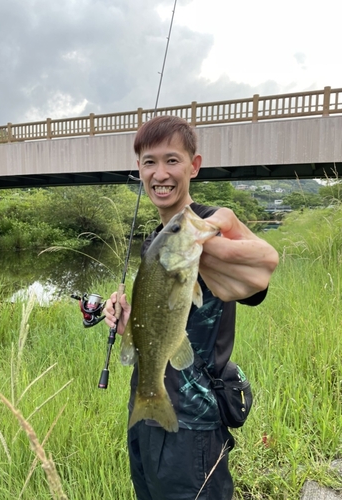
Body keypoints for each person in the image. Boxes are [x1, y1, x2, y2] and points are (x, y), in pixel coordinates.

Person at [103, 115, 279, 500]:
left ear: (194, 166)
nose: (160, 173)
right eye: (149, 162)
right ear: (139, 169)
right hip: (146, 408)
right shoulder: (156, 239)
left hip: (195, 427)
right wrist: (128, 317)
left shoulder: (207, 225)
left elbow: (256, 278)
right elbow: (163, 311)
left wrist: (253, 262)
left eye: (172, 160)